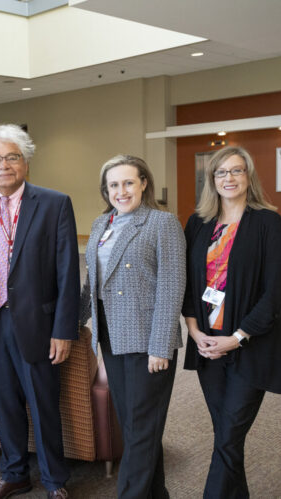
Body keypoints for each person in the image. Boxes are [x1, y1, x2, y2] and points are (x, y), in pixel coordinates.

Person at [0, 124, 80, 499]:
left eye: (12, 157)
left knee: (44, 404)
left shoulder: (54, 202)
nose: (3, 166)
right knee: (5, 403)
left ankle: (53, 479)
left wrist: (64, 329)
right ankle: (13, 473)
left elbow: (67, 270)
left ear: (25, 161)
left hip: (38, 324)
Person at [182, 146, 281, 498]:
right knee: (228, 438)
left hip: (250, 346)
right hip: (208, 346)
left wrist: (237, 337)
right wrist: (195, 331)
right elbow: (187, 284)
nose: (229, 178)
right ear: (211, 180)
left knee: (228, 436)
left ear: (249, 176)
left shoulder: (266, 222)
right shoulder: (198, 223)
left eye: (237, 171)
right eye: (221, 172)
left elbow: (273, 296)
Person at [79, 154, 186, 498]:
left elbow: (172, 286)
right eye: (114, 185)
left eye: (128, 182)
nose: (121, 191)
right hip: (111, 338)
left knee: (141, 429)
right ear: (105, 189)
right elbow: (92, 285)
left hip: (147, 342)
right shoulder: (100, 224)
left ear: (143, 183)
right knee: (136, 428)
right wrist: (68, 326)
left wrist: (161, 345)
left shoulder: (161, 223)